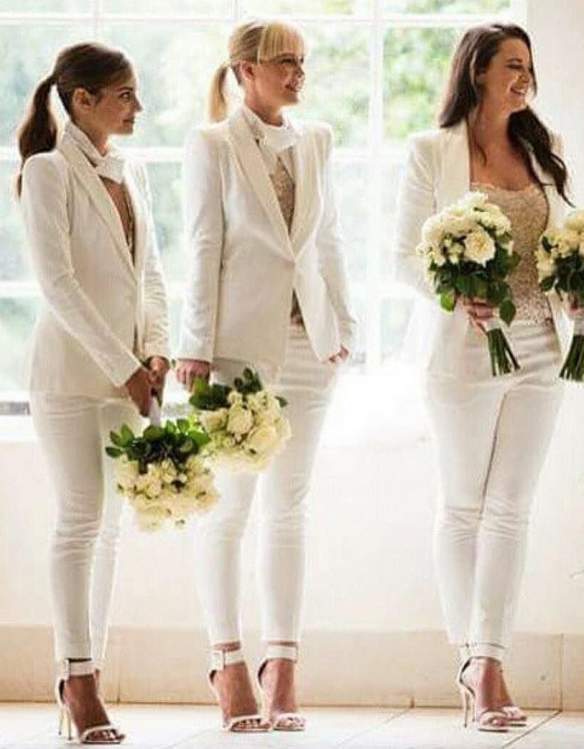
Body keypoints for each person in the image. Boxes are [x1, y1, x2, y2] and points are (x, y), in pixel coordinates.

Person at [395, 22, 584, 733]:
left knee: (512, 509)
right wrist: (455, 293)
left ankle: (491, 660)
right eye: (512, 64)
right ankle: (470, 660)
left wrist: (581, 290)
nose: (524, 77)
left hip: (541, 345)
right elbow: (404, 257)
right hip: (464, 350)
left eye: (529, 66)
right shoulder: (431, 151)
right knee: (463, 507)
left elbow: (561, 243)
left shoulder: (546, 148)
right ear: (477, 70)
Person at [175, 19, 357, 733]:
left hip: (310, 347)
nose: (297, 73)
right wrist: (194, 345)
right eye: (284, 61)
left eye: (302, 61)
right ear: (245, 70)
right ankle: (226, 660)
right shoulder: (211, 144)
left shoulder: (318, 140)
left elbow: (329, 239)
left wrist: (342, 326)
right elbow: (202, 246)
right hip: (234, 353)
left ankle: (282, 668)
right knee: (229, 511)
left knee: (289, 509)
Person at [17, 42, 169, 744]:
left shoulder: (131, 171)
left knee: (110, 527)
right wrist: (122, 365)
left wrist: (156, 350)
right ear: (82, 100)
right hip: (72, 379)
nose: (138, 106)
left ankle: (90, 669)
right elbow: (58, 285)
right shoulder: (47, 171)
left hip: (131, 376)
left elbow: (152, 274)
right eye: (125, 94)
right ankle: (75, 681)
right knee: (79, 519)